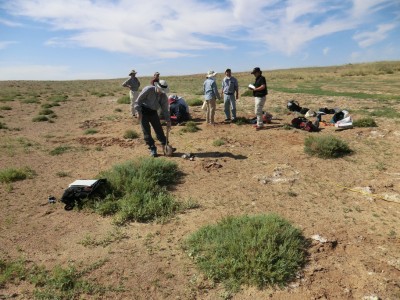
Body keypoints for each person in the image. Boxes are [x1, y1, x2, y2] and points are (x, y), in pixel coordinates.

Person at [133, 80, 174, 157]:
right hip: (143, 111)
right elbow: (138, 100)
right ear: (157, 87)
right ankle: (152, 148)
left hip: (153, 112)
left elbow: (165, 109)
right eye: (161, 90)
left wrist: (168, 121)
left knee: (159, 130)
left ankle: (165, 146)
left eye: (163, 91)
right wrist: (138, 111)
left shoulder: (163, 96)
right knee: (146, 131)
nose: (161, 92)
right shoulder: (148, 89)